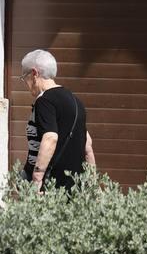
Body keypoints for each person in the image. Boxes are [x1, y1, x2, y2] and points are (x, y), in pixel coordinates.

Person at [20, 49, 95, 190]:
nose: (25, 83)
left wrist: (36, 181)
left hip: (50, 187)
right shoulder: (75, 101)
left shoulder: (44, 101)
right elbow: (88, 147)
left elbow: (50, 138)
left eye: (25, 77)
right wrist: (92, 183)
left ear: (34, 74)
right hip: (74, 188)